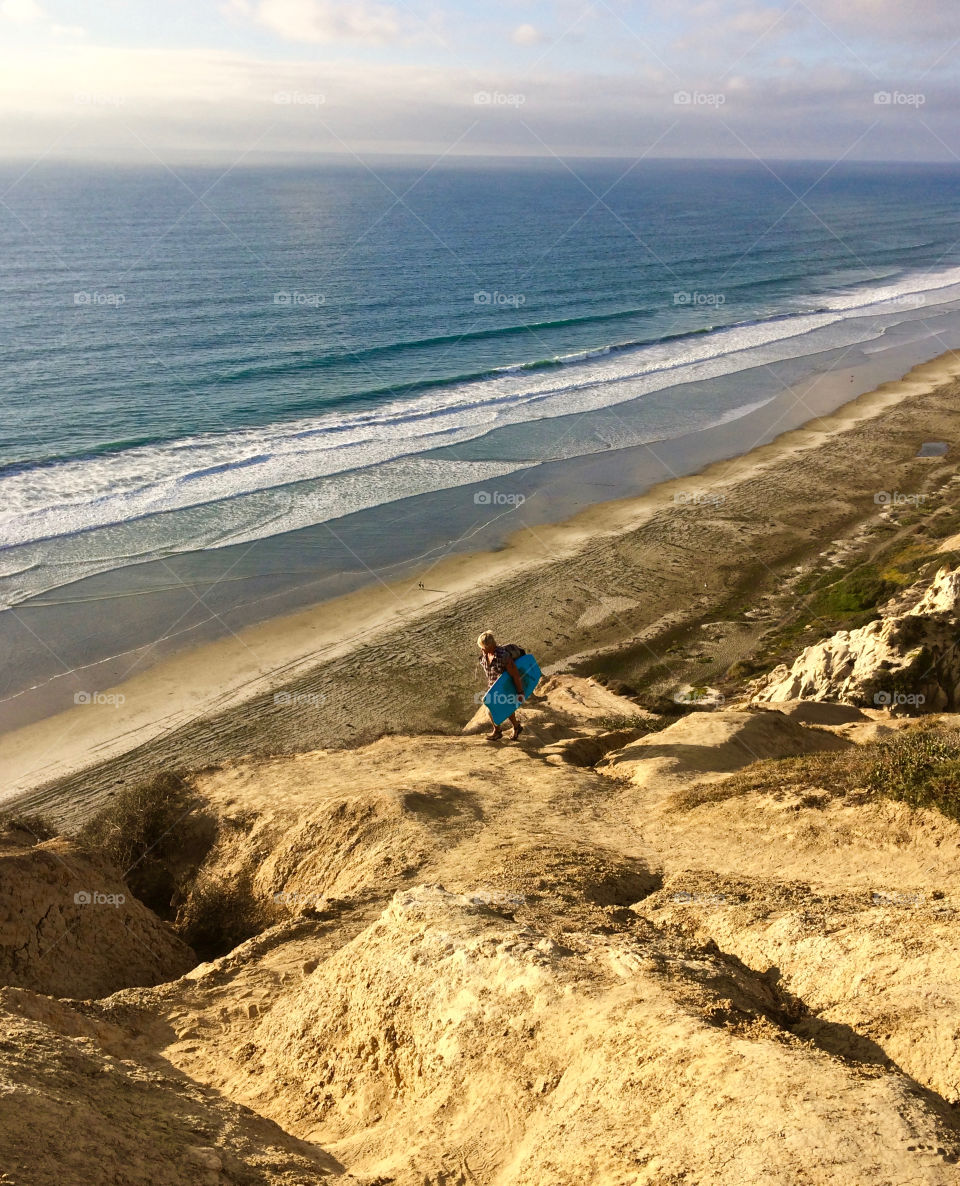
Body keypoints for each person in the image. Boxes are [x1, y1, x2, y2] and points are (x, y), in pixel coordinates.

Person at [477, 630, 524, 742]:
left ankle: (497, 731)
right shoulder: (484, 655)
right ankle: (516, 727)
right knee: (507, 709)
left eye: (483, 647)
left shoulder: (503, 656)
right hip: (493, 688)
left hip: (505, 688)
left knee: (490, 710)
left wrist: (520, 692)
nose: (481, 649)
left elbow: (515, 674)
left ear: (490, 646)